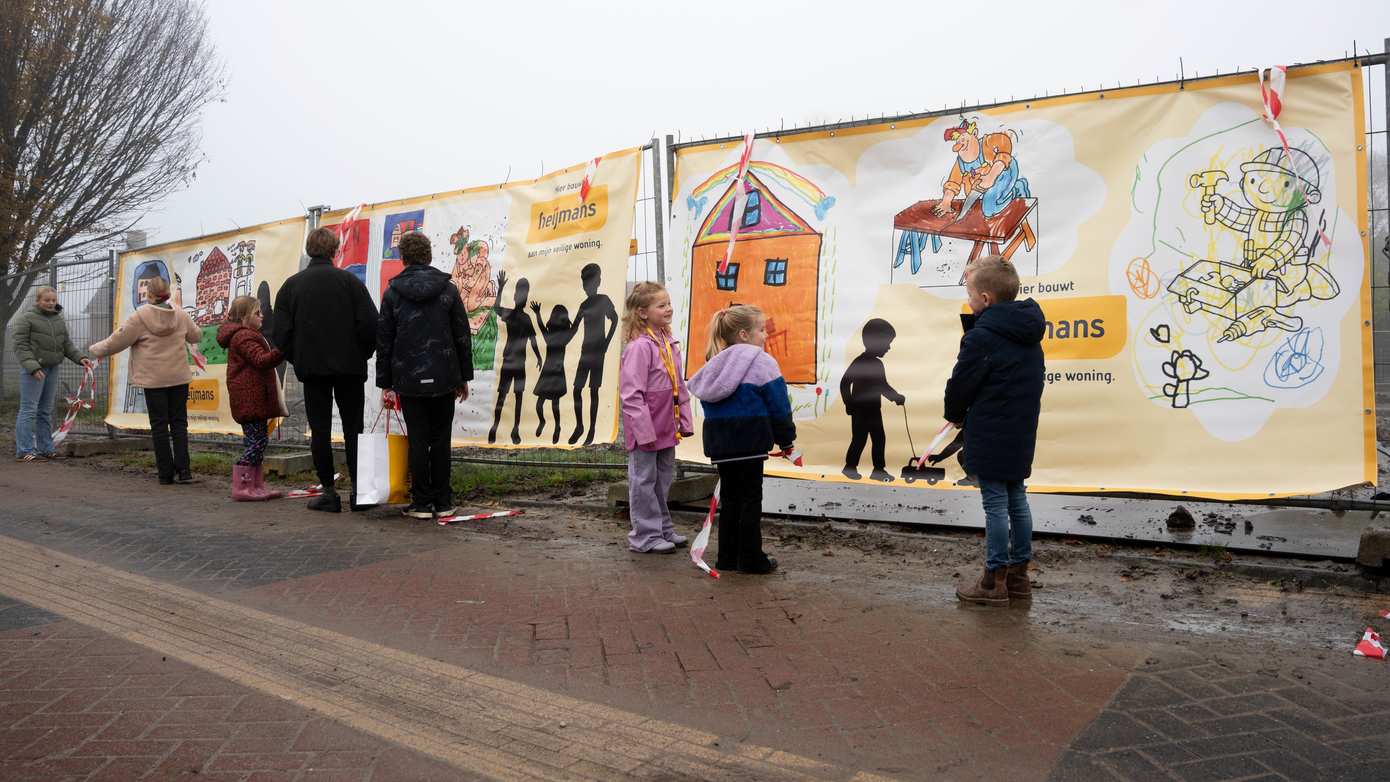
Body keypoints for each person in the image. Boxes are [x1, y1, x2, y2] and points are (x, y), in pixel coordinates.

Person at [944, 256, 1045, 606]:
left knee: (995, 504)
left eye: (970, 293)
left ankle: (993, 581)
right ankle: (1019, 577)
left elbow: (962, 383)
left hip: (990, 430)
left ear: (985, 299)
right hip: (1020, 431)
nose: (968, 300)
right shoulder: (1029, 332)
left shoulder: (983, 337)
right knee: (1017, 498)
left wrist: (955, 414)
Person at [272, 226, 378, 512]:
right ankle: (359, 493)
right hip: (350, 368)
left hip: (313, 370)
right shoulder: (351, 283)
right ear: (335, 251)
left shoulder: (291, 287)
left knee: (319, 430)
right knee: (354, 429)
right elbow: (370, 325)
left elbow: (281, 334)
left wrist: (300, 358)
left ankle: (329, 493)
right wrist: (361, 354)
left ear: (309, 250)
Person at [688, 305, 795, 574]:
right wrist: (786, 440)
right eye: (761, 330)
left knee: (731, 500)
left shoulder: (715, 362)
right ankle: (750, 559)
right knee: (750, 500)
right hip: (750, 441)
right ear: (745, 334)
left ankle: (727, 557)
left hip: (722, 444)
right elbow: (779, 406)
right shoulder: (762, 361)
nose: (764, 335)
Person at [377, 231, 472, 520]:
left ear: (403, 258)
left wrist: (386, 384)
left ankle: (420, 502)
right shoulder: (449, 290)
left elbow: (385, 340)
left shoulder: (393, 292)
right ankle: (443, 501)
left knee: (417, 439)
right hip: (444, 376)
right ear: (429, 255)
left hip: (408, 379)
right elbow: (462, 336)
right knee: (441, 439)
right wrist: (463, 377)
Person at [89, 276, 201, 484]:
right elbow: (196, 336)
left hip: (154, 380)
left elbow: (117, 341)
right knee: (179, 424)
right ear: (167, 292)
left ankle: (165, 475)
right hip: (178, 378)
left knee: (159, 426)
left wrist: (94, 350)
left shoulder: (139, 317)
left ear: (148, 295)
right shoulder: (180, 313)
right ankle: (184, 471)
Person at [618, 282, 693, 554]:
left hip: (666, 427)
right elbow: (631, 395)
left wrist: (684, 420)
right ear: (642, 312)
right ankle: (644, 536)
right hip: (646, 431)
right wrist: (643, 431)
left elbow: (678, 387)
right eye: (661, 305)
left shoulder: (668, 341)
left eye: (668, 303)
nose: (669, 308)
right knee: (643, 481)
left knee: (662, 480)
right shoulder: (639, 347)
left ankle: (661, 527)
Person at [12, 287, 93, 461]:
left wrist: (81, 358)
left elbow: (67, 345)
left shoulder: (58, 320)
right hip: (33, 371)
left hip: (52, 369)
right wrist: (33, 368)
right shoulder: (27, 319)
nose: (50, 303)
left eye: (53, 300)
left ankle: (46, 448)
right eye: (46, 300)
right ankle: (24, 450)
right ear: (38, 301)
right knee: (29, 410)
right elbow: (21, 346)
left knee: (45, 411)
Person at [217, 296, 285, 501]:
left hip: (253, 398)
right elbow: (260, 360)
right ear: (246, 317)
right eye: (257, 313)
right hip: (250, 398)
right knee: (257, 443)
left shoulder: (247, 334)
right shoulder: (244, 337)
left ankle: (255, 485)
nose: (262, 316)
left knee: (256, 442)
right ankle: (242, 485)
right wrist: (283, 350)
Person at [841, 318, 905, 482]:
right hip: (861, 411)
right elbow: (845, 383)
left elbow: (881, 386)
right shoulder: (862, 362)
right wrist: (849, 403)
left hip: (873, 410)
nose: (889, 347)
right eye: (887, 343)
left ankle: (878, 470)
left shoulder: (875, 364)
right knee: (860, 439)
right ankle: (850, 467)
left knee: (878, 439)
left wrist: (895, 397)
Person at [567, 263, 618, 446]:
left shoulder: (603, 300)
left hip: (597, 352)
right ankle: (580, 426)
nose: (585, 286)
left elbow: (614, 319)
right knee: (577, 389)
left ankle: (592, 429)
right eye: (583, 282)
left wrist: (606, 342)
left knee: (593, 390)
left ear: (597, 281)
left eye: (588, 282)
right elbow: (574, 328)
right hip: (585, 351)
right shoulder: (584, 305)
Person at [489, 271, 540, 444]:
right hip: (511, 362)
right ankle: (496, 428)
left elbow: (533, 340)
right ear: (517, 295)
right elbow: (496, 308)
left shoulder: (523, 317)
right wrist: (501, 289)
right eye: (521, 293)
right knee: (504, 396)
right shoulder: (515, 315)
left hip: (517, 363)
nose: (523, 297)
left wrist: (539, 356)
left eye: (524, 294)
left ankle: (514, 430)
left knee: (516, 397)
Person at [529, 301, 577, 444]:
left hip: (554, 372)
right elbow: (573, 328)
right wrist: (537, 314)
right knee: (542, 403)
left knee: (551, 404)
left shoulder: (560, 337)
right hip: (550, 372)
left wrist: (537, 314)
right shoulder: (560, 337)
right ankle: (544, 422)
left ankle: (556, 427)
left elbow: (542, 327)